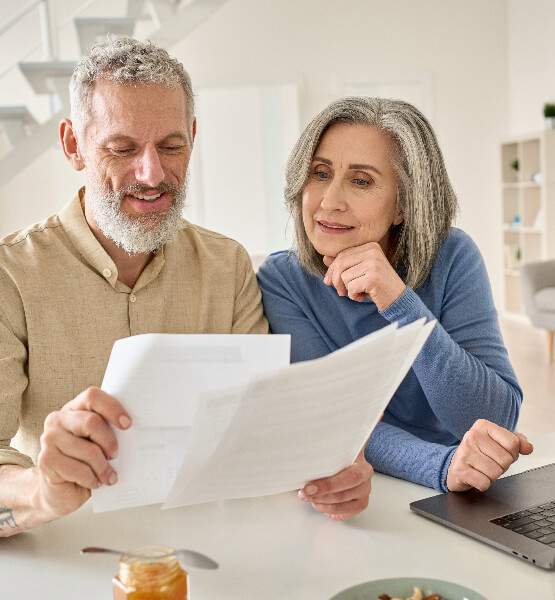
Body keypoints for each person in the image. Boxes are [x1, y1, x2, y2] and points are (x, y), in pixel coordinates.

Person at [0, 38, 373, 537]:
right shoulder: (11, 275)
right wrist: (39, 491)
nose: (151, 174)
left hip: (213, 548)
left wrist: (328, 469)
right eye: (122, 148)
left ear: (193, 137)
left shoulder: (227, 265)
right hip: (64, 553)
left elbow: (262, 433)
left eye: (171, 146)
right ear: (73, 145)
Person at [257, 96, 533, 501]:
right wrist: (440, 466)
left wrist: (400, 302)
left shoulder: (453, 256)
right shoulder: (282, 280)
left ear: (403, 204)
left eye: (361, 180)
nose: (329, 201)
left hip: (461, 489)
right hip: (357, 486)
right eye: (320, 173)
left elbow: (494, 417)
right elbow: (333, 419)